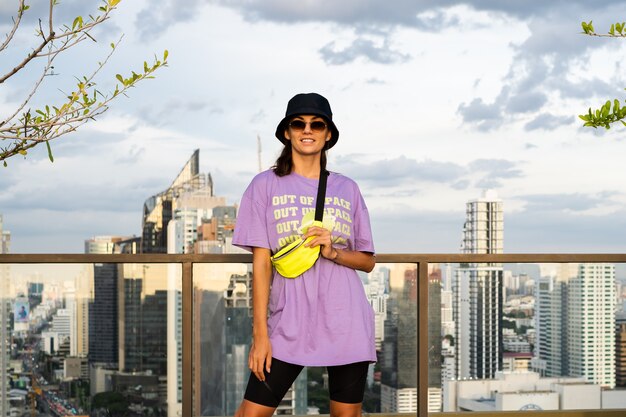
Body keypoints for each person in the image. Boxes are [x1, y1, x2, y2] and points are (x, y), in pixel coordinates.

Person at [232, 93, 376, 417]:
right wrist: (260, 335)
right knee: (249, 414)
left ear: (328, 134)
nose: (307, 130)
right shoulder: (263, 185)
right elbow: (261, 264)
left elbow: (367, 261)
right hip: (288, 321)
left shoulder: (347, 188)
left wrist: (333, 251)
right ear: (287, 132)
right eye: (299, 123)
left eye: (316, 124)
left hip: (345, 319)